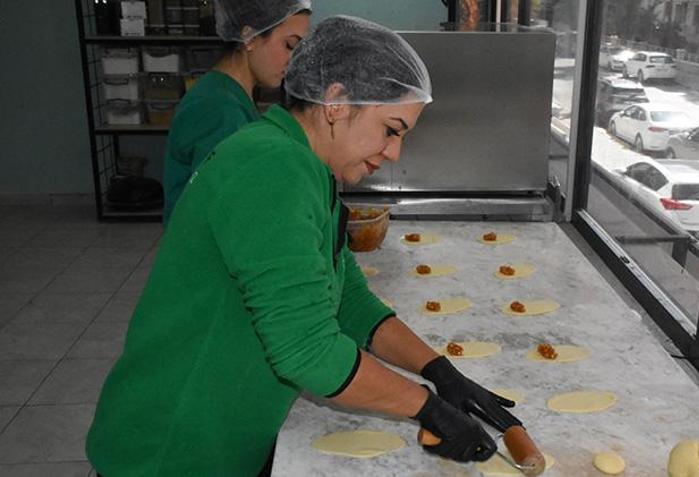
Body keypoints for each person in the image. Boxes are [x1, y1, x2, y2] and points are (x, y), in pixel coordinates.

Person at [87, 16, 522, 476]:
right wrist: (426, 408)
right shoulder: (271, 169)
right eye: (391, 130)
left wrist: (436, 369)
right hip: (173, 447)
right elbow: (307, 349)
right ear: (335, 102)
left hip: (223, 436)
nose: (394, 153)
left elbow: (349, 302)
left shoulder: (306, 169)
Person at [161, 0, 311, 224]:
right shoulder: (217, 108)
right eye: (289, 45)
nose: (293, 60)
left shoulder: (232, 95)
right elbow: (226, 210)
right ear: (250, 37)